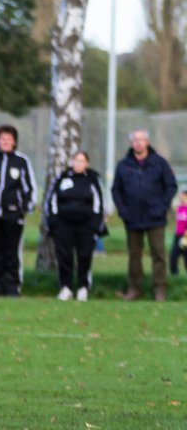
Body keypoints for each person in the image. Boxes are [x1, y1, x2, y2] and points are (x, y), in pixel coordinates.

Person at [111, 128, 176, 301]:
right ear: (131, 143)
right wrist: (123, 210)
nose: (139, 143)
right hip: (132, 218)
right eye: (135, 140)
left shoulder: (159, 163)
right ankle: (134, 288)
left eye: (142, 140)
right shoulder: (123, 165)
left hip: (155, 218)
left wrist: (162, 207)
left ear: (147, 142)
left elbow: (171, 186)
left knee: (159, 255)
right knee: (134, 256)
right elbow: (116, 189)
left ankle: (160, 289)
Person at [0, 124, 36, 296]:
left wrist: (23, 209)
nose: (5, 142)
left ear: (14, 142)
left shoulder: (21, 162)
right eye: (2, 139)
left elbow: (29, 188)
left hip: (13, 215)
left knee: (12, 251)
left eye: (8, 139)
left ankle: (12, 285)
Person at [44, 150, 104, 301]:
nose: (79, 164)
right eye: (76, 160)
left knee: (84, 256)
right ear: (72, 162)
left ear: (87, 164)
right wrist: (54, 222)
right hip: (64, 225)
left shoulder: (92, 179)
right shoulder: (62, 178)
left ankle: (83, 287)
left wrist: (95, 224)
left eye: (82, 161)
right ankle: (66, 287)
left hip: (86, 225)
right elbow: (52, 200)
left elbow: (99, 204)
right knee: (65, 256)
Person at [171, 190, 187, 277]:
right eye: (180, 198)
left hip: (186, 237)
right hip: (178, 235)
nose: (181, 199)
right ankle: (174, 275)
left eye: (183, 197)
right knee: (174, 256)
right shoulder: (179, 208)